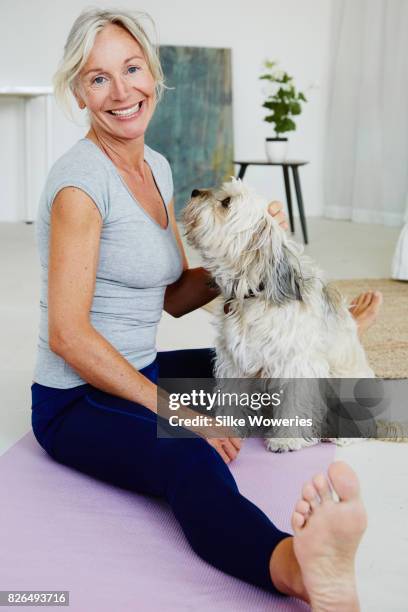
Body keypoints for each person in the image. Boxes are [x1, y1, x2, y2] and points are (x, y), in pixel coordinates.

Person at [31, 8, 383, 610]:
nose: (122, 92)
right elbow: (68, 335)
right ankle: (296, 566)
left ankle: (341, 326)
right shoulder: (78, 188)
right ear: (78, 92)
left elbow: (170, 297)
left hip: (138, 368)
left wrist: (249, 253)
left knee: (272, 370)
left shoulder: (155, 166)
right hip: (76, 398)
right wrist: (179, 411)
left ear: (153, 73)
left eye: (132, 68)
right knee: (188, 450)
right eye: (98, 78)